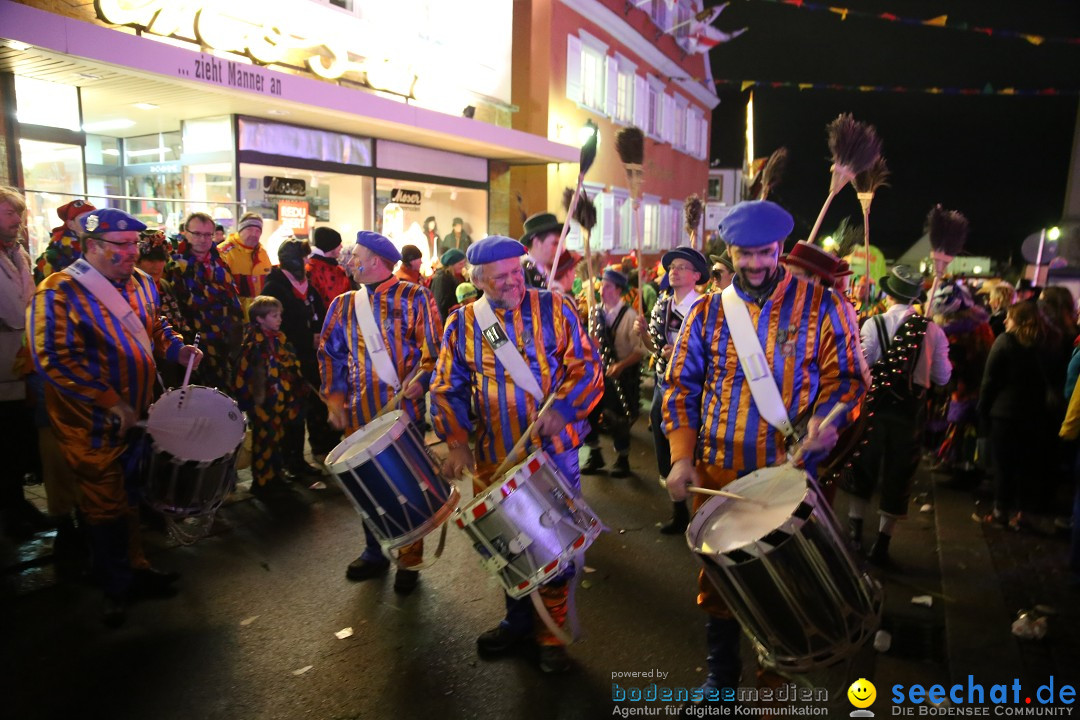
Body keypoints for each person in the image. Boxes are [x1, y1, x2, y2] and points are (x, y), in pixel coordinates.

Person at [662, 200, 866, 696]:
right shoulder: (708, 312)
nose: (754, 264)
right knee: (721, 581)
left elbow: (850, 379)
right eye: (744, 254)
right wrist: (681, 455)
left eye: (765, 253)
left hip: (787, 473)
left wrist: (828, 416)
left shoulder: (824, 306)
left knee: (786, 578)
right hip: (719, 474)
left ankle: (777, 678)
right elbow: (680, 388)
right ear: (728, 252)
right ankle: (721, 677)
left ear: (781, 249)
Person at [431, 235, 603, 674]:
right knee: (510, 542)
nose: (512, 283)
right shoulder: (465, 323)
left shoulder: (556, 308)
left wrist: (563, 408)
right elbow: (447, 388)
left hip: (554, 451)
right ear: (477, 279)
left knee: (553, 543)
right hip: (497, 453)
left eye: (516, 272)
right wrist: (456, 442)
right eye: (500, 277)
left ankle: (552, 633)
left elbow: (586, 367)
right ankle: (518, 620)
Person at [29, 208, 203, 626]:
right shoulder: (59, 291)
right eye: (120, 246)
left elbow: (154, 326)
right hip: (90, 420)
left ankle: (136, 567)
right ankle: (114, 585)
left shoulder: (143, 283)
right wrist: (109, 400)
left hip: (138, 411)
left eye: (134, 245)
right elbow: (53, 357)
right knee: (102, 501)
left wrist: (177, 348)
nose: (130, 253)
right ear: (91, 247)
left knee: (130, 493)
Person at [318, 232, 441, 594]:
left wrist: (422, 380)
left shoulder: (416, 296)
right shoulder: (341, 304)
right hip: (359, 415)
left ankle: (409, 556)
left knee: (407, 485)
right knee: (368, 485)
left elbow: (433, 351)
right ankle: (374, 550)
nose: (349, 260)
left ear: (374, 261)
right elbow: (331, 355)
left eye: (355, 255)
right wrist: (335, 401)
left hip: (401, 414)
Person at [843, 265, 951, 566]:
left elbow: (861, 367)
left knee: (861, 467)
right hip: (910, 411)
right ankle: (882, 545)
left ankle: (854, 533)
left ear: (888, 294)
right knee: (898, 474)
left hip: (875, 407)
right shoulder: (933, 330)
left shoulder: (872, 323)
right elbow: (942, 378)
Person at [635, 245, 710, 534]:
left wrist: (678, 351)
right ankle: (678, 508)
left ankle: (702, 509)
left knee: (697, 442)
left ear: (695, 276)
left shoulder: (704, 307)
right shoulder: (661, 306)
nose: (674, 271)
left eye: (681, 267)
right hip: (664, 384)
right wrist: (642, 333)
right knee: (662, 435)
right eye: (672, 267)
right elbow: (654, 347)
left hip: (696, 387)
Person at [978, 301, 1058, 530]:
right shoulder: (1046, 343)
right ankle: (1023, 514)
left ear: (1019, 320)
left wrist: (982, 409)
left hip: (1005, 414)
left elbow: (989, 380)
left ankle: (1000, 511)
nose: (1004, 321)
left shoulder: (1005, 342)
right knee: (1027, 466)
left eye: (1009, 317)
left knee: (1004, 466)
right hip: (1035, 415)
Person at [261, 239, 337, 477]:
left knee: (317, 404)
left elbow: (321, 314)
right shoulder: (274, 289)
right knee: (293, 411)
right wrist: (306, 339)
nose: (306, 262)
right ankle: (292, 460)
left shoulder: (308, 287)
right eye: (302, 258)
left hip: (313, 357)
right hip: (287, 360)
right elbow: (274, 326)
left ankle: (322, 447)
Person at [0, 186, 51, 539]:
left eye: (18, 214)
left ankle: (17, 505)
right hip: (3, 363)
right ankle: (10, 512)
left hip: (20, 362)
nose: (17, 220)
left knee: (16, 441)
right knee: (5, 442)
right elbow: (15, 310)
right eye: (9, 213)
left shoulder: (17, 254)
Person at [233, 296, 307, 497]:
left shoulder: (277, 339)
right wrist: (254, 401)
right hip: (263, 402)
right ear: (259, 319)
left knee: (277, 438)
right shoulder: (254, 344)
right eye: (274, 316)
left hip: (280, 398)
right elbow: (245, 375)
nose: (279, 319)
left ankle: (276, 474)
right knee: (265, 439)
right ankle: (263, 481)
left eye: (279, 315)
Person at [165, 211, 245, 390]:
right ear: (186, 233)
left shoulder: (220, 260)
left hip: (223, 342)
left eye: (208, 234)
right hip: (192, 344)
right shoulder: (175, 264)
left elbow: (232, 298)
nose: (203, 239)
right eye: (197, 234)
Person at [582, 269, 645, 478]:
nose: (601, 290)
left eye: (607, 286)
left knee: (617, 419)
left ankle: (622, 459)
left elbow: (639, 352)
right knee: (587, 414)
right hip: (597, 375)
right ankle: (595, 454)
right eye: (601, 286)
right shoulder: (594, 312)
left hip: (621, 376)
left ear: (618, 290)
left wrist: (621, 366)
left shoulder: (630, 316)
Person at [218, 212, 273, 314]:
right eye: (249, 229)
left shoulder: (262, 252)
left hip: (260, 317)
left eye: (258, 231)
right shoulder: (224, 252)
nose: (254, 234)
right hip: (236, 317)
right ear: (240, 230)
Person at [33, 198, 95, 283]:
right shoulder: (57, 254)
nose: (89, 224)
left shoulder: (102, 243)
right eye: (83, 220)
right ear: (71, 225)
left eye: (93, 220)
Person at [307, 226, 352, 313]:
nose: (341, 247)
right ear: (330, 246)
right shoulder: (313, 269)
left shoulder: (337, 269)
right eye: (338, 244)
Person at [519, 212, 564, 289]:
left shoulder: (542, 270)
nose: (561, 250)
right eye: (554, 243)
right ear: (537, 242)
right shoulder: (524, 273)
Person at [431, 248, 467, 321]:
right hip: (447, 321)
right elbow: (440, 304)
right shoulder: (442, 278)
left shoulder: (454, 276)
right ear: (451, 264)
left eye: (464, 263)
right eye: (460, 264)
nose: (463, 266)